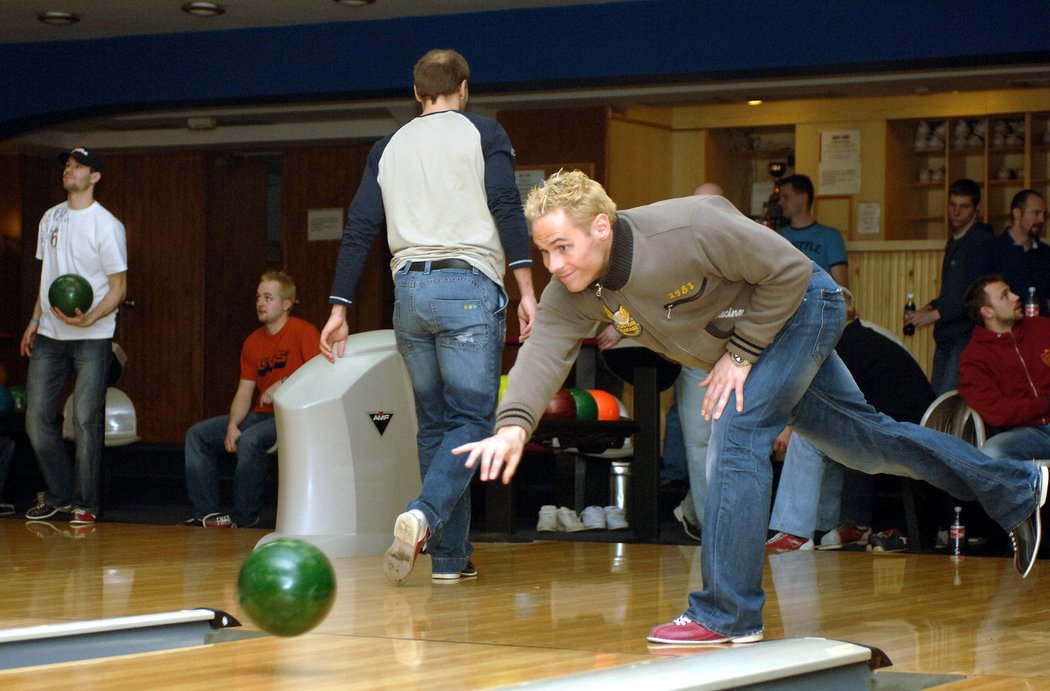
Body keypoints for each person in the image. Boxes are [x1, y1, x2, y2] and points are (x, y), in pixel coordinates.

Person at [455, 169, 1046, 646]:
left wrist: (739, 354)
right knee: (870, 442)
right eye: (544, 252)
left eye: (563, 247)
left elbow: (789, 270)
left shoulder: (686, 229)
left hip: (803, 304)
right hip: (761, 336)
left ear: (602, 227)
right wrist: (513, 426)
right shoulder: (576, 289)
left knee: (737, 431)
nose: (553, 265)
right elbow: (542, 356)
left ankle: (728, 613)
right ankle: (1019, 486)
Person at [319, 49, 537, 584]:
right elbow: (507, 207)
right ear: (464, 88)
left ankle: (449, 558)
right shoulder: (484, 133)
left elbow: (360, 228)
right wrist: (529, 289)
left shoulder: (387, 147)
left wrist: (338, 305)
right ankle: (424, 514)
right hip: (467, 286)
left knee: (436, 427)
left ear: (417, 94)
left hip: (409, 293)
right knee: (472, 421)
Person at [766, 288, 936, 551]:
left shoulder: (844, 346)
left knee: (809, 435)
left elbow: (817, 401)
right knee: (832, 437)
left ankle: (795, 532)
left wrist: (788, 429)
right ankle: (840, 524)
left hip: (902, 435)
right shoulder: (867, 338)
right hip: (911, 429)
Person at [21, 147, 127, 525]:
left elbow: (119, 288)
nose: (70, 169)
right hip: (50, 333)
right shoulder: (50, 217)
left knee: (84, 419)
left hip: (92, 335)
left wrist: (91, 318)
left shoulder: (107, 225)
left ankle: (85, 504)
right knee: (36, 418)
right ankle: (60, 494)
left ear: (94, 176)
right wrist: (34, 321)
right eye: (68, 164)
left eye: (78, 165)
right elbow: (47, 277)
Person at [182, 271, 320, 528]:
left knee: (250, 440)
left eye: (268, 298)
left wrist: (285, 383)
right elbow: (245, 391)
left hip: (294, 415)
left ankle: (245, 518)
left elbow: (319, 374)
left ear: (287, 304)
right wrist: (233, 424)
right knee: (197, 435)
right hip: (261, 414)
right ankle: (208, 514)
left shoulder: (303, 332)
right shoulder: (252, 342)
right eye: (258, 297)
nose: (260, 303)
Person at [904, 179, 993, 394]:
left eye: (964, 206)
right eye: (952, 205)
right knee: (938, 397)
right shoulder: (956, 240)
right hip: (948, 332)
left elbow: (975, 293)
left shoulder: (981, 241)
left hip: (965, 333)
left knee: (947, 398)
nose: (956, 211)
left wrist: (935, 314)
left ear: (977, 209)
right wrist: (930, 307)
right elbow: (952, 290)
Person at [958, 275, 1050, 461]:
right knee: (992, 453)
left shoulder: (1043, 328)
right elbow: (998, 413)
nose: (1016, 297)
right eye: (1005, 295)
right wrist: (1046, 404)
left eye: (1011, 291)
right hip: (1026, 435)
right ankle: (1030, 491)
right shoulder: (973, 359)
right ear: (987, 311)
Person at [973, 190, 1049, 313]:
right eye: (1036, 213)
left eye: (1044, 214)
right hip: (1002, 329)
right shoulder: (989, 251)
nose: (1042, 219)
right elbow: (979, 298)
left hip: (1041, 329)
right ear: (1017, 213)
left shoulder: (1046, 253)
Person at [774, 173, 849, 288]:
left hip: (818, 302)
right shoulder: (777, 237)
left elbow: (841, 288)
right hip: (785, 302)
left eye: (786, 197)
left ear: (803, 197)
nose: (780, 202)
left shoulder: (830, 236)